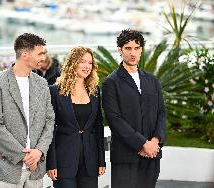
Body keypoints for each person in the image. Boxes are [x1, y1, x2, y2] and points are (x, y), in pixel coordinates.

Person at [0, 33, 55, 187]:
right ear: (24, 54)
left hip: (36, 168)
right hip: (6, 168)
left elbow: (50, 121)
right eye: (40, 53)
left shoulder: (42, 84)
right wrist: (25, 156)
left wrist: (39, 151)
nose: (43, 57)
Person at [102, 29, 167, 188]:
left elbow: (161, 112)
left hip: (152, 155)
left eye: (136, 48)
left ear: (141, 50)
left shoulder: (152, 80)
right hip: (126, 157)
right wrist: (142, 143)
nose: (133, 53)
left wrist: (155, 141)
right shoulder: (111, 82)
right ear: (120, 50)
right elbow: (114, 119)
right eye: (128, 48)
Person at [46, 46, 106, 188]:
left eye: (90, 63)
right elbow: (49, 129)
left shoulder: (95, 91)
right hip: (63, 160)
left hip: (90, 160)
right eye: (82, 62)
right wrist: (51, 163)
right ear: (73, 63)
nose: (87, 66)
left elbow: (98, 127)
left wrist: (101, 161)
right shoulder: (54, 91)